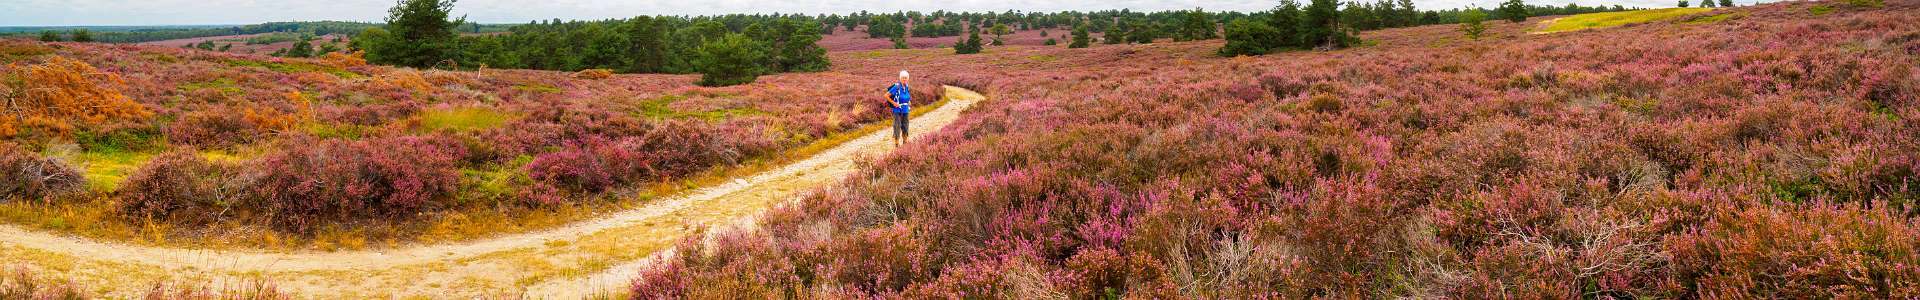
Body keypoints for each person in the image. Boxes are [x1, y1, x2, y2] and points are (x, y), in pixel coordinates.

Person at [887, 70, 912, 147]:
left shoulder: (906, 86)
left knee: (905, 125)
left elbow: (906, 96)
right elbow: (886, 95)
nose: (904, 79)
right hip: (897, 110)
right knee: (897, 125)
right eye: (903, 78)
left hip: (905, 109)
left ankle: (905, 142)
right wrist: (894, 103)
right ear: (900, 78)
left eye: (906, 78)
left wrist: (909, 101)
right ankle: (897, 143)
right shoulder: (896, 87)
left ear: (908, 79)